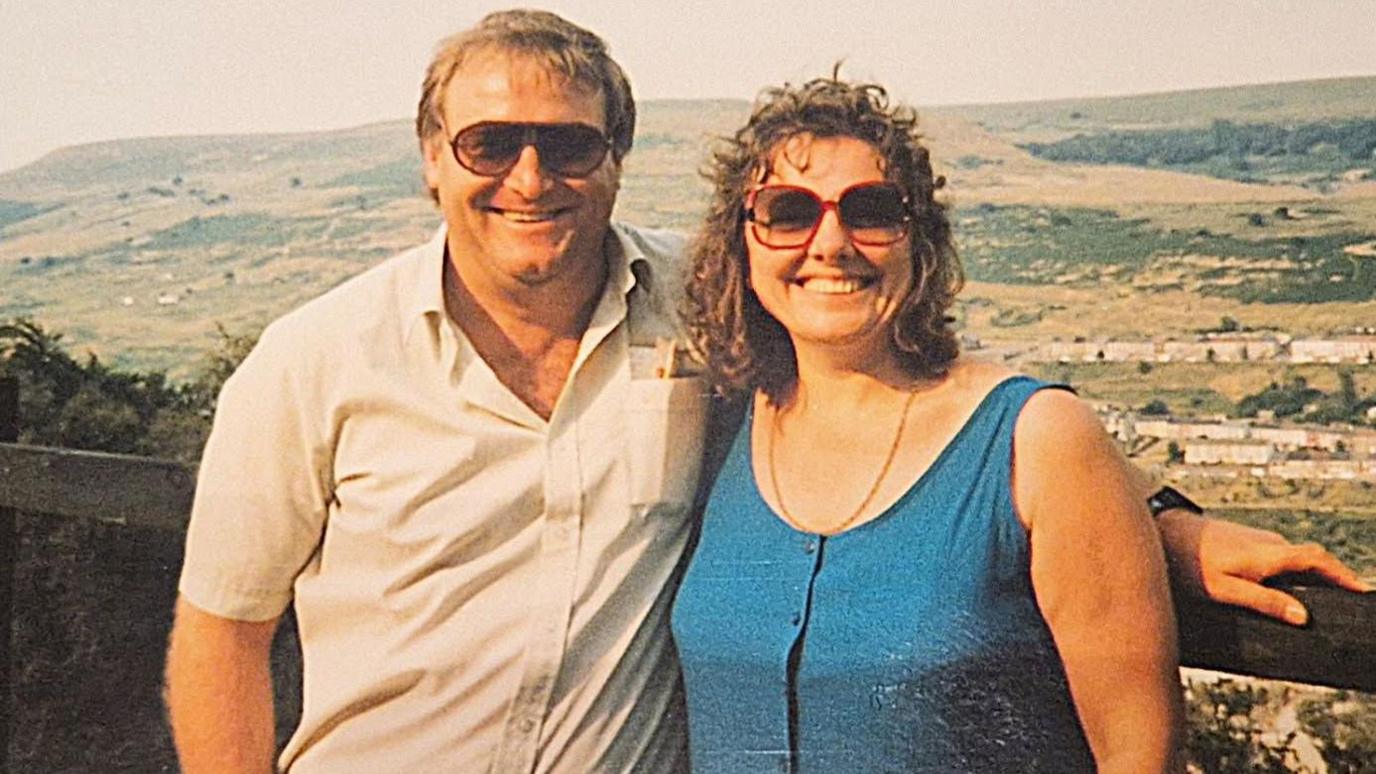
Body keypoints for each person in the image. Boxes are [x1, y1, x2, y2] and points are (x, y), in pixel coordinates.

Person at [163, 9, 1367, 774]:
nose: (531, 174)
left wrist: (1156, 523)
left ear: (613, 159)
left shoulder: (699, 348)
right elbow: (222, 632)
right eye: (488, 143)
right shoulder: (312, 363)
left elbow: (948, 443)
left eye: (571, 144)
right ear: (431, 158)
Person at [670, 76, 1178, 772]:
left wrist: (1178, 524)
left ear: (920, 241)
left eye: (871, 210)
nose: (830, 243)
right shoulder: (721, 422)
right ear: (741, 246)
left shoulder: (1035, 439)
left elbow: (1138, 753)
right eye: (787, 212)